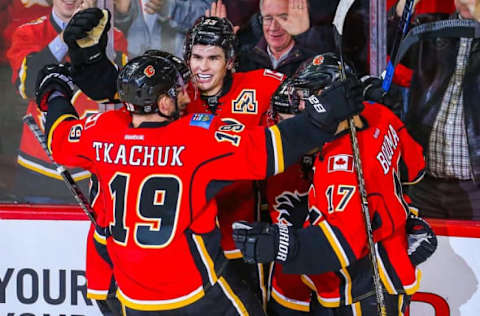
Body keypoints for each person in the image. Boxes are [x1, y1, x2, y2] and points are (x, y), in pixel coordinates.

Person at [34, 32, 364, 313]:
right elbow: (274, 150)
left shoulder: (102, 130)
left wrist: (54, 92)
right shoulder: (196, 139)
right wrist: (324, 116)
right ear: (162, 104)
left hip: (134, 297)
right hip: (199, 294)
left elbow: (59, 135)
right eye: (177, 90)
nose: (186, 94)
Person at [232, 52, 437, 315]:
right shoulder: (379, 114)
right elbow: (414, 170)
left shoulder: (339, 164)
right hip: (390, 265)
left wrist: (279, 243)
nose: (302, 109)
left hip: (360, 289)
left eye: (309, 99)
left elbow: (341, 244)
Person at [183, 14, 286, 304]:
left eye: (213, 58)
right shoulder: (176, 93)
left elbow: (312, 95)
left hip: (242, 235)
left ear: (229, 61)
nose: (202, 67)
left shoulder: (261, 85)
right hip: (189, 238)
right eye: (196, 57)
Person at [6, 2, 127, 203]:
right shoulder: (28, 31)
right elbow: (26, 86)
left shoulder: (113, 36)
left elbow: (117, 92)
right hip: (38, 166)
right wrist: (65, 38)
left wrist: (91, 42)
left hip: (91, 166)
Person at [388, 0, 480, 220]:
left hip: (475, 188)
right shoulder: (431, 27)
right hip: (424, 183)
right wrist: (406, 5)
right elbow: (387, 46)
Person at [263, 78, 331, 316]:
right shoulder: (271, 154)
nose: (292, 138)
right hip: (288, 285)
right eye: (284, 125)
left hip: (335, 283)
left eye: (298, 128)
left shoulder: (342, 155)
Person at [235, 0, 335, 76]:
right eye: (268, 18)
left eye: (283, 18)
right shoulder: (244, 56)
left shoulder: (315, 55)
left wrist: (305, 34)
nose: (274, 27)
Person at [114, 0, 215, 58]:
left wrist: (170, 8)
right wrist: (122, 12)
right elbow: (117, 30)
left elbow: (208, 16)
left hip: (175, 65)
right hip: (135, 63)